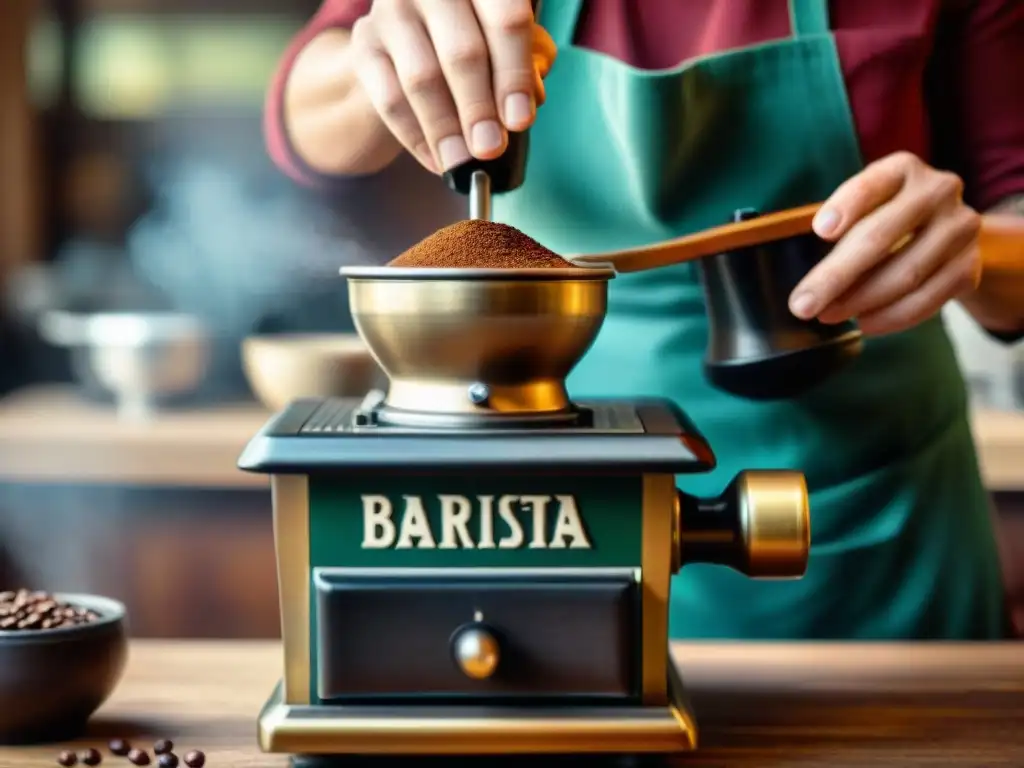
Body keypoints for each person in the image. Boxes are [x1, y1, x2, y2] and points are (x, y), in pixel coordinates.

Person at [266, 0, 1024, 639]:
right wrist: (388, 64)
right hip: (556, 507)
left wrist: (974, 249)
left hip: (875, 528)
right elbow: (302, 119)